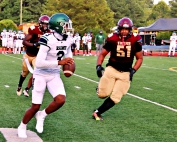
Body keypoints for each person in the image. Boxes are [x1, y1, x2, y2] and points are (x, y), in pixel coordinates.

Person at [17, 13, 75, 138]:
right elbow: (39, 63)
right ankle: (22, 126)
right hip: (41, 74)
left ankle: (42, 115)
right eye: (65, 25)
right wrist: (60, 62)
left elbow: (69, 56)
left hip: (54, 74)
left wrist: (70, 64)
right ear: (58, 26)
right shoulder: (47, 38)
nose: (68, 27)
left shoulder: (69, 39)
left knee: (61, 100)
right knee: (35, 106)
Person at [92, 17, 143, 120]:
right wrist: (98, 66)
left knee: (116, 97)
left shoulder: (135, 40)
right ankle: (100, 88)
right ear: (119, 29)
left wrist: (133, 70)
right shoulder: (112, 38)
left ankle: (97, 112)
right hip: (112, 69)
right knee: (102, 94)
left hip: (125, 73)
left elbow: (140, 58)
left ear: (130, 29)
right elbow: (102, 54)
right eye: (122, 29)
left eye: (126, 29)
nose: (124, 32)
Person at [16, 15, 50, 97]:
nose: (46, 26)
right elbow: (24, 42)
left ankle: (28, 89)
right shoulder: (34, 29)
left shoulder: (49, 32)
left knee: (37, 72)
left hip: (38, 56)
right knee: (24, 73)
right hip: (28, 55)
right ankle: (19, 86)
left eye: (47, 24)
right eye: (44, 24)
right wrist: (34, 44)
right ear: (40, 23)